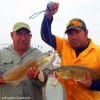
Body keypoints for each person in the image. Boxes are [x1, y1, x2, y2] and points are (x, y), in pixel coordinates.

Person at [40, 2, 100, 100]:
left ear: (86, 32)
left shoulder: (98, 52)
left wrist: (92, 84)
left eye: (77, 32)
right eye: (70, 34)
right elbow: (45, 36)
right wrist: (48, 15)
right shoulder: (65, 45)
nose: (73, 37)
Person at [0, 22, 48, 100]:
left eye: (26, 34)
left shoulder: (39, 55)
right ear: (12, 35)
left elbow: (48, 79)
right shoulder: (1, 54)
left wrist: (38, 75)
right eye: (19, 34)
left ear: (30, 36)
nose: (23, 38)